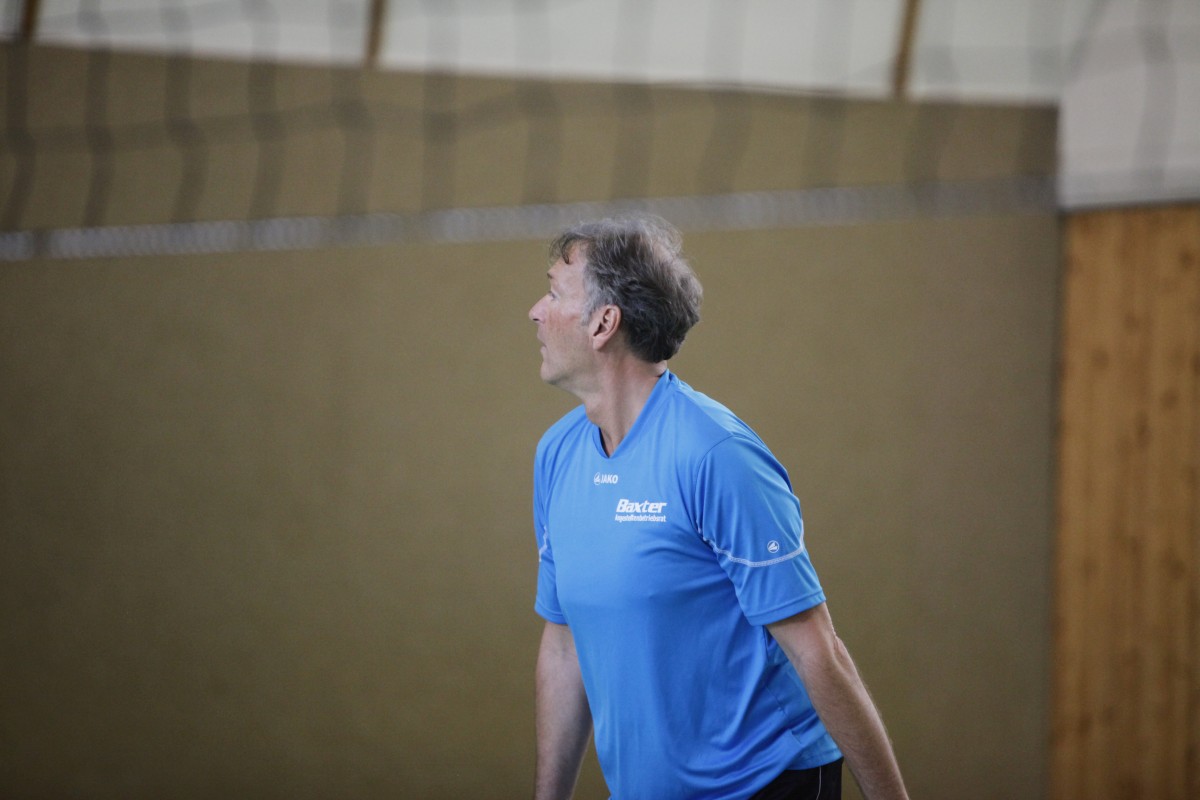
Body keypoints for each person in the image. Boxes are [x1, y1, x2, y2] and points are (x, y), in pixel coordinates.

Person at [528, 214, 908, 800]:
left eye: (554, 293)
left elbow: (817, 651)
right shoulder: (557, 455)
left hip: (769, 781)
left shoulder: (714, 454)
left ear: (604, 323)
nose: (535, 311)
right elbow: (563, 645)